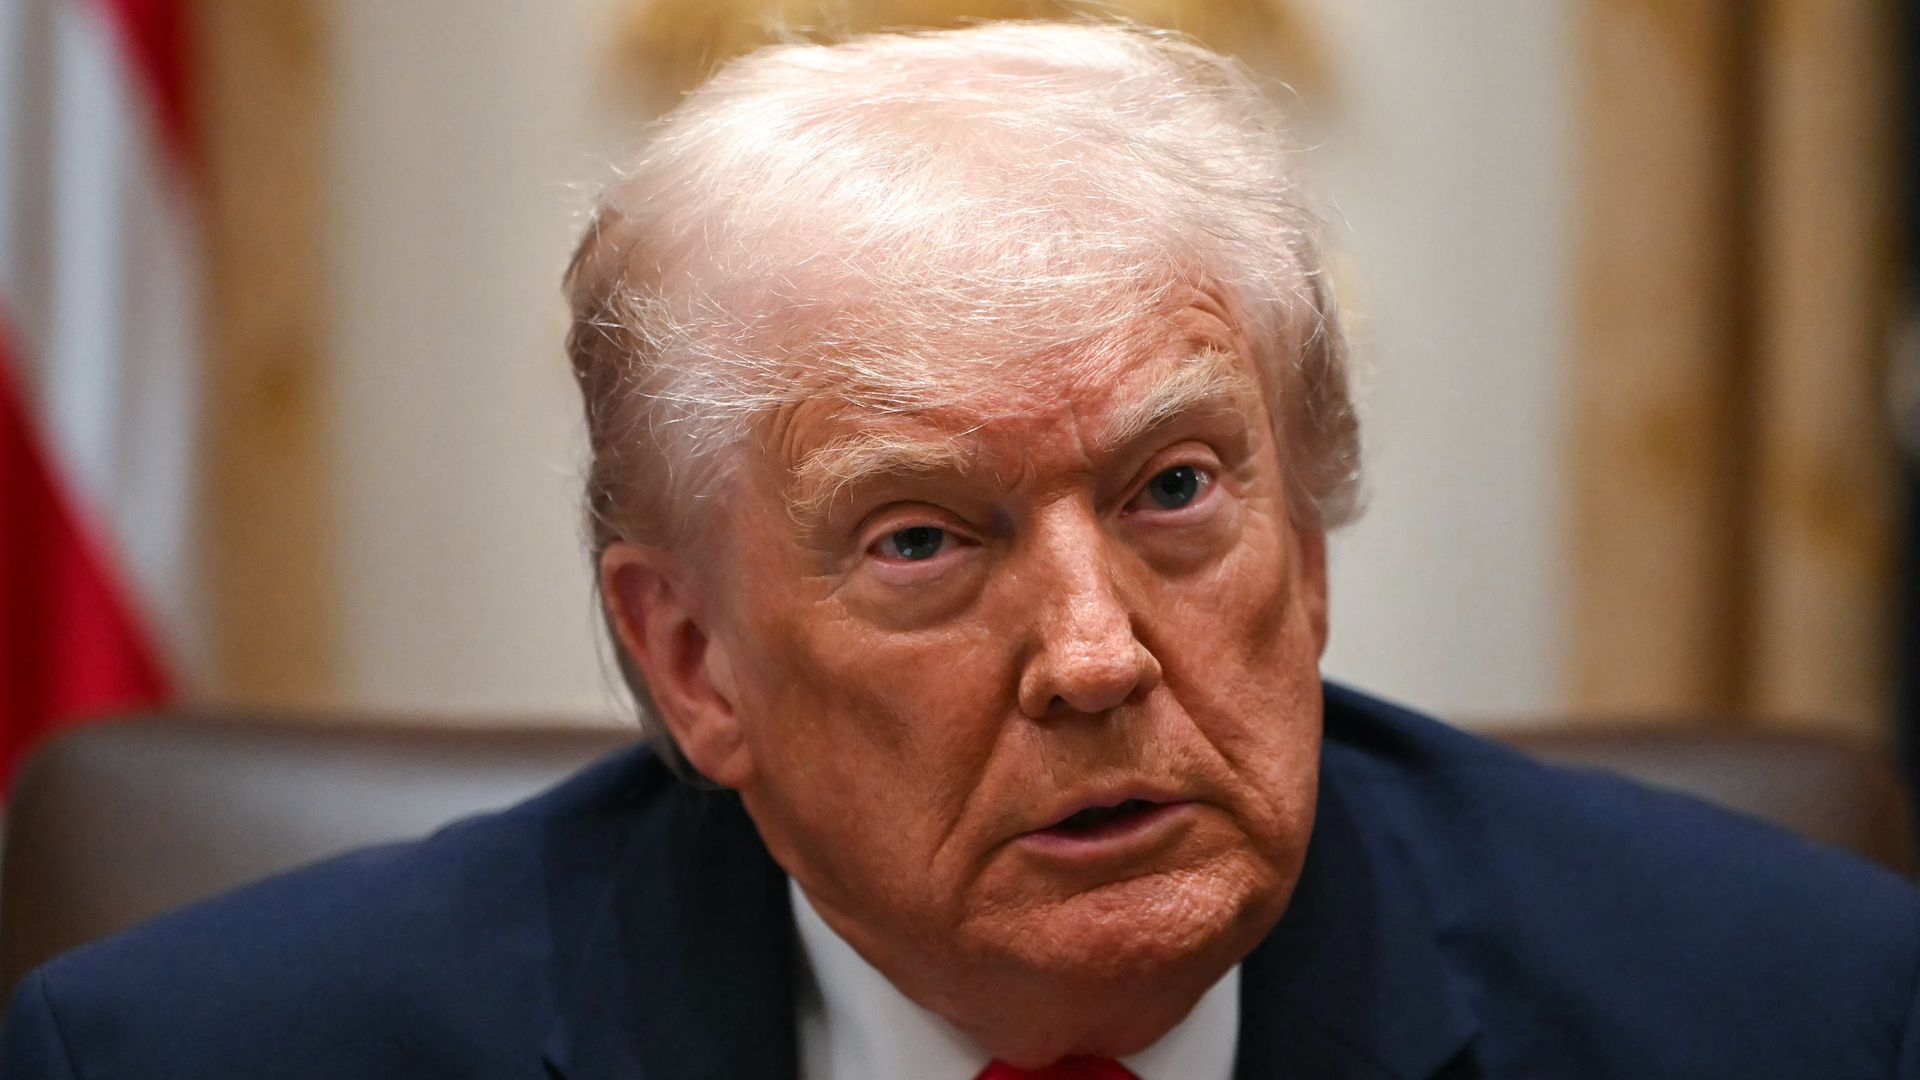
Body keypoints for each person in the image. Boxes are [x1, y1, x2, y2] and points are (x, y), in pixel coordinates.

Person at [4, 20, 1918, 1079]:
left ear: (1310, 547)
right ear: (692, 663)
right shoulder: (207, 1059)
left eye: (1177, 492)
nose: (1096, 655)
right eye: (925, 538)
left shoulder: (1801, 1018)